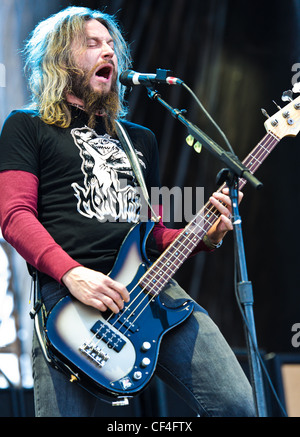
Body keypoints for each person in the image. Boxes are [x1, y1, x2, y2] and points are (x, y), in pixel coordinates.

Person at [0, 6, 255, 417]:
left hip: (149, 291)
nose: (109, 52)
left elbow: (151, 233)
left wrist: (203, 234)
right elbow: (14, 215)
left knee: (237, 404)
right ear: (62, 58)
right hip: (70, 298)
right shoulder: (27, 126)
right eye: (93, 44)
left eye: (112, 45)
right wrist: (71, 273)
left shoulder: (141, 140)